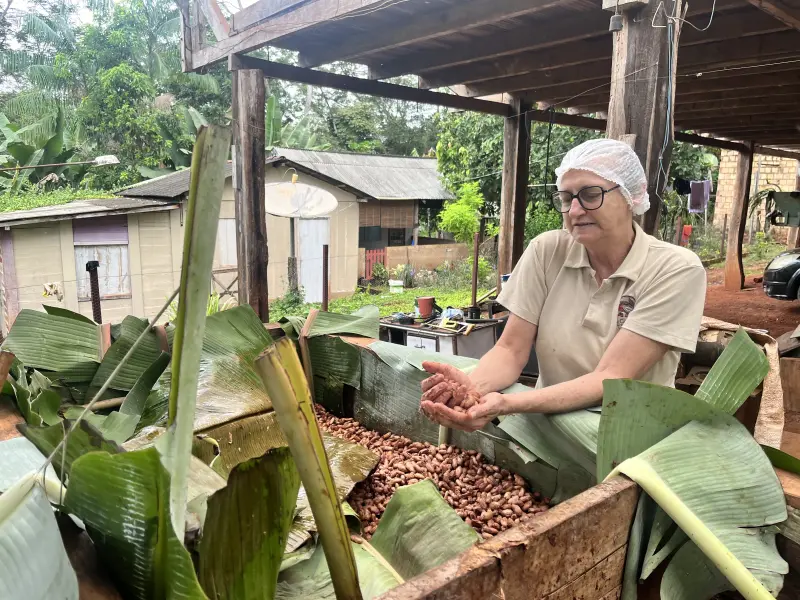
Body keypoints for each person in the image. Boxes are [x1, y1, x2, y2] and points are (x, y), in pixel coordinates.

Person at [420, 139, 706, 432]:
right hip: (552, 434)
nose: (575, 211)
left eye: (591, 194)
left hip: (630, 443)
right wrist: (472, 389)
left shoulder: (675, 269)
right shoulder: (547, 251)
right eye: (567, 198)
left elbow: (611, 377)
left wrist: (507, 405)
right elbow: (510, 350)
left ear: (632, 196)